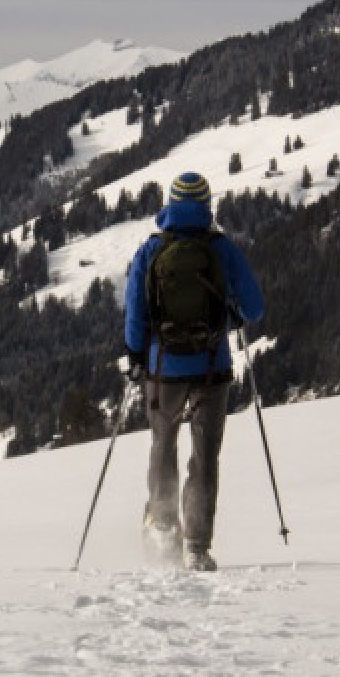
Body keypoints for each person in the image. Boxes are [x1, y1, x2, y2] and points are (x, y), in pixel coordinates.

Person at [123, 172, 264, 571]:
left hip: (162, 369)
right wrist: (231, 314)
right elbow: (255, 308)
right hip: (211, 370)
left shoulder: (151, 250)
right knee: (205, 457)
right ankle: (197, 546)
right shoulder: (221, 249)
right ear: (206, 206)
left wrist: (136, 356)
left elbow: (135, 314)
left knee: (162, 444)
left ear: (170, 204)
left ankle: (164, 527)